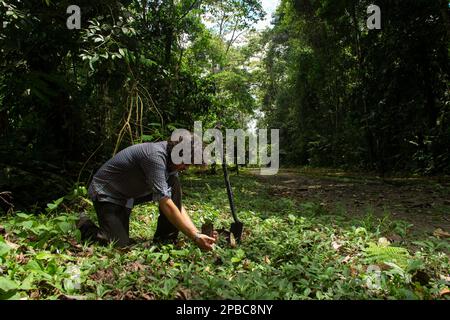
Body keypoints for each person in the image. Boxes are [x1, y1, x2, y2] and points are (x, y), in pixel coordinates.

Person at [77, 133, 217, 251]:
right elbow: (166, 203)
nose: (185, 168)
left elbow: (176, 204)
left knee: (174, 184)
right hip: (107, 194)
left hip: (128, 196)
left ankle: (165, 239)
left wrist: (196, 233)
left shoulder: (172, 163)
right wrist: (195, 236)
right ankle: (83, 223)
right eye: (185, 163)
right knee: (118, 246)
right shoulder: (154, 157)